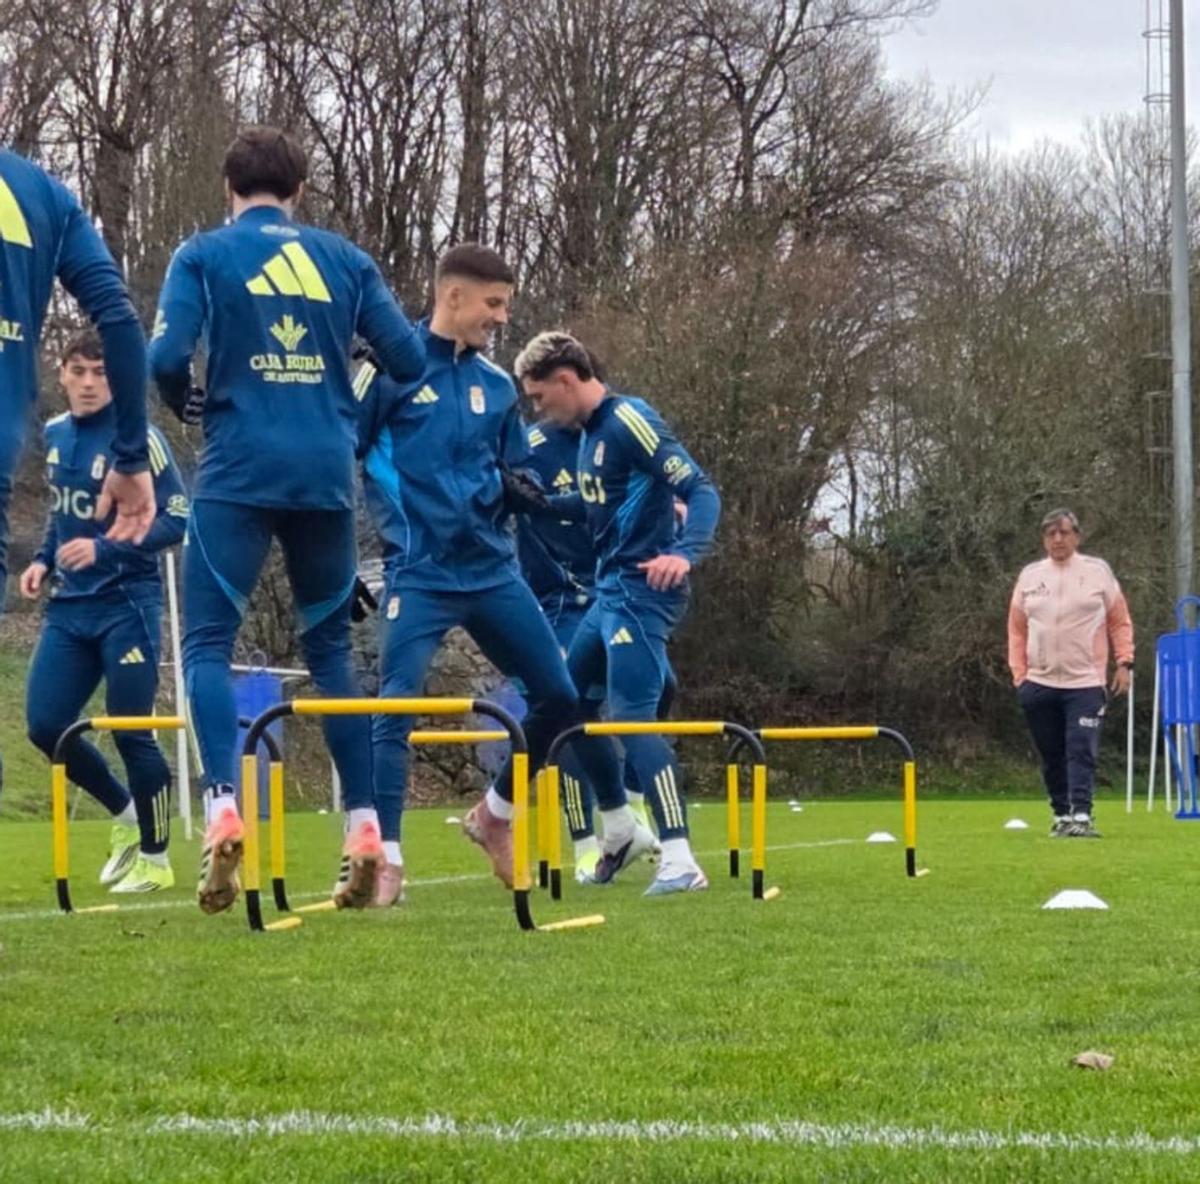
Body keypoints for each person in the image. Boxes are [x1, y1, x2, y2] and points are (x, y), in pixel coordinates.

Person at [148, 126, 425, 914]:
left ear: (228, 187)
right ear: (299, 191)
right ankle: (366, 826)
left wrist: (186, 404)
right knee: (332, 651)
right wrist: (335, 396)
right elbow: (406, 359)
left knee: (205, 641)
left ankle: (222, 806)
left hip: (237, 470)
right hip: (323, 477)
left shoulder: (202, 254)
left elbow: (166, 356)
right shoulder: (344, 259)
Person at [355, 243, 651, 903]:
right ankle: (388, 863)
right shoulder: (386, 369)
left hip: (493, 571)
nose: (501, 317)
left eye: (506, 305)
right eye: (494, 304)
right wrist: (350, 563)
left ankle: (512, 816)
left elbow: (516, 472)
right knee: (394, 703)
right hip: (420, 572)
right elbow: (341, 452)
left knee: (560, 695)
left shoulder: (495, 386)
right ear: (453, 296)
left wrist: (526, 494)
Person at [514, 331, 720, 895]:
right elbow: (596, 505)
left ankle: (680, 859)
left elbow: (700, 488)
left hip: (641, 593)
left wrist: (684, 552)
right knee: (566, 697)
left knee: (633, 715)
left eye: (538, 397)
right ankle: (621, 826)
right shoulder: (586, 438)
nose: (537, 410)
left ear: (565, 380)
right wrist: (542, 504)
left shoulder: (629, 419)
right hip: (609, 594)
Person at [20, 330, 187, 891]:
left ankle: (157, 861)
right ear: (61, 374)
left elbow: (179, 517)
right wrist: (44, 560)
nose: (90, 383)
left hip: (127, 606)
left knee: (131, 729)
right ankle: (124, 815)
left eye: (102, 372)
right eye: (79, 371)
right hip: (70, 609)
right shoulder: (54, 434)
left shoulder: (139, 441)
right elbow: (61, 512)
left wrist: (107, 547)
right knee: (46, 726)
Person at [516, 411, 670, 882]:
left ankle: (630, 812)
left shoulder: (611, 438)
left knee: (663, 686)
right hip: (560, 600)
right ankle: (585, 844)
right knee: (566, 707)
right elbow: (535, 510)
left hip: (610, 589)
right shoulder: (534, 445)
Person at [1007, 508, 1134, 838]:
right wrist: (1020, 675)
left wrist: (1125, 662)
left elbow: (1119, 621)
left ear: (1077, 536)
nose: (1058, 539)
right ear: (1044, 539)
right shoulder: (1030, 576)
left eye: (1064, 532)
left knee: (1080, 748)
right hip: (1038, 681)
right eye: (1051, 534)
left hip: (1085, 682)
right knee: (1051, 753)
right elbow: (1016, 629)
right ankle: (1061, 814)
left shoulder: (1097, 572)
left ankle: (1082, 813)